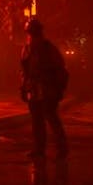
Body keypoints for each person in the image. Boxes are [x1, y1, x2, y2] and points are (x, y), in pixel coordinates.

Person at [20, 19, 69, 160]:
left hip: (48, 89)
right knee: (36, 121)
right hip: (33, 89)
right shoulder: (26, 49)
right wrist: (23, 88)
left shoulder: (49, 49)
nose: (31, 36)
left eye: (33, 33)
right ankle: (39, 149)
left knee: (51, 118)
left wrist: (59, 88)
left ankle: (62, 148)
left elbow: (60, 70)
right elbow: (24, 71)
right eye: (30, 33)